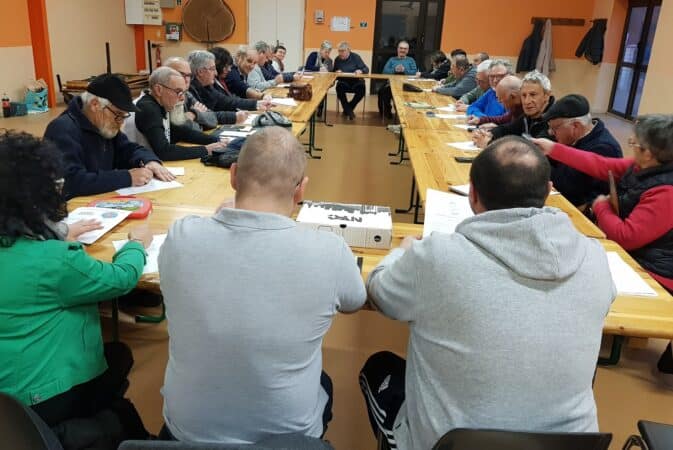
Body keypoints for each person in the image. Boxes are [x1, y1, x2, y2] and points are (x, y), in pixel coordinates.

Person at [360, 136, 616, 450]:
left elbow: (380, 293)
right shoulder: (594, 256)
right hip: (568, 446)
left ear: (472, 194)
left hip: (456, 445)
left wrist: (403, 251)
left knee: (378, 368)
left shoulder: (437, 256)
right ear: (549, 190)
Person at [159, 127, 367, 444]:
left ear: (233, 176)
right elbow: (355, 300)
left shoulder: (181, 236)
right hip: (286, 437)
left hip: (185, 433)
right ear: (301, 191)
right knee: (323, 382)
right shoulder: (330, 250)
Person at [0, 130, 153, 445]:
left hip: (9, 395)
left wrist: (56, 232)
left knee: (117, 356)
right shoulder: (56, 261)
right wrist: (136, 245)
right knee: (119, 373)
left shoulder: (24, 245)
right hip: (43, 396)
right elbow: (122, 278)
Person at [44, 73, 174, 199]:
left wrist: (149, 161)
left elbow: (129, 149)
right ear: (95, 105)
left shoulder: (103, 125)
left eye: (124, 115)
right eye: (118, 114)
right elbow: (71, 181)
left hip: (101, 202)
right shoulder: (62, 130)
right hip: (74, 208)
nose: (121, 121)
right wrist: (127, 178)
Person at [542, 94, 622, 207]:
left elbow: (570, 189)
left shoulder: (604, 149)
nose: (550, 133)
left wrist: (537, 164)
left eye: (555, 128)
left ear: (576, 126)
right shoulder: (573, 138)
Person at [132, 67, 227, 161]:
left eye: (184, 93)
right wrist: (206, 149)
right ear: (158, 90)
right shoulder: (148, 108)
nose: (182, 98)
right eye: (178, 92)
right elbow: (164, 151)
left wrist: (216, 140)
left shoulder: (160, 103)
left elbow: (182, 132)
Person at [473, 70, 554, 148]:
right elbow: (507, 129)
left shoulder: (553, 120)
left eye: (533, 95)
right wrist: (488, 134)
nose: (527, 101)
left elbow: (532, 150)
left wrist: (488, 143)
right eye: (524, 95)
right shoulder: (528, 116)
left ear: (547, 95)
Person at [187, 50, 264, 116]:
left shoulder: (207, 86)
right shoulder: (190, 91)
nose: (216, 73)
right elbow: (208, 116)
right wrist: (234, 117)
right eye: (213, 69)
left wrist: (256, 104)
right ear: (200, 72)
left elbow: (227, 101)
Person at [378, 40, 418, 118]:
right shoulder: (391, 59)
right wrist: (394, 70)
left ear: (407, 50)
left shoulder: (411, 60)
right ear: (397, 49)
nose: (403, 50)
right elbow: (384, 72)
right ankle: (386, 112)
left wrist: (404, 70)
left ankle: (403, 114)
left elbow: (414, 72)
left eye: (405, 49)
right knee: (382, 91)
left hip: (406, 85)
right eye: (401, 48)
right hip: (391, 84)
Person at [333, 41, 370, 120]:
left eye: (342, 51)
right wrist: (336, 72)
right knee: (339, 88)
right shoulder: (337, 59)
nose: (340, 53)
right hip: (344, 82)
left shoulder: (356, 57)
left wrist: (361, 71)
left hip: (356, 82)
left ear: (348, 50)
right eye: (339, 51)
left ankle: (348, 109)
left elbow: (366, 69)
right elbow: (333, 72)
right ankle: (349, 111)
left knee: (362, 90)